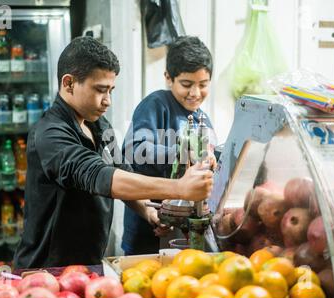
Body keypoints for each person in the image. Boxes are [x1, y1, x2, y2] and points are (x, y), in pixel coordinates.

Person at [13, 36, 213, 269]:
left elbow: (120, 170)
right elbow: (100, 176)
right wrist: (179, 188)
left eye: (111, 90)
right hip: (46, 269)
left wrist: (146, 209)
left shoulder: (98, 124)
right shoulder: (50, 134)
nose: (108, 100)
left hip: (87, 265)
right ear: (69, 84)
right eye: (100, 90)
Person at [121, 36, 217, 255]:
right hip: (148, 230)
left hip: (186, 232)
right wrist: (183, 153)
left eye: (203, 85)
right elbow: (135, 151)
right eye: (186, 84)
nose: (195, 93)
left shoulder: (204, 121)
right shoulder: (156, 105)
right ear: (168, 78)